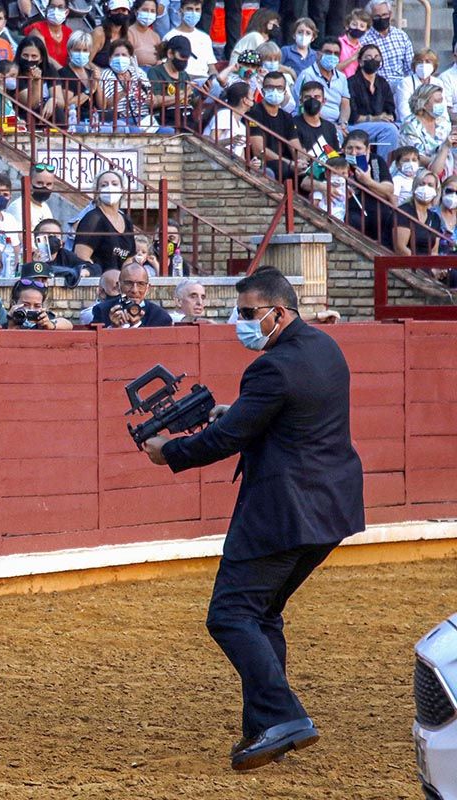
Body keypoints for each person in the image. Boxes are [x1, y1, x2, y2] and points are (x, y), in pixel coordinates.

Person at [141, 266, 364, 771]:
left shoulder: (270, 368)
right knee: (262, 615)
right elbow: (283, 414)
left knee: (231, 615)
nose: (240, 322)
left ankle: (284, 717)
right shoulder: (325, 347)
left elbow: (225, 441)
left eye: (248, 314)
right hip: (331, 509)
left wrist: (168, 451)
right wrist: (236, 410)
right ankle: (266, 727)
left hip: (281, 513)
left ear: (279, 312)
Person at [74, 169, 136, 272]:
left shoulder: (127, 221)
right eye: (104, 185)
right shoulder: (93, 219)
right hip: (99, 283)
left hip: (120, 284)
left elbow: (128, 259)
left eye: (114, 184)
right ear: (97, 192)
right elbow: (81, 257)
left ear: (122, 190)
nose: (110, 188)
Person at [347, 43, 398, 153]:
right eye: (368, 57)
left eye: (376, 57)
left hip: (380, 125)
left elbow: (390, 108)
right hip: (356, 126)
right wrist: (376, 118)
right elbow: (352, 116)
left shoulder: (382, 83)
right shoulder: (351, 82)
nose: (373, 60)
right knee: (390, 130)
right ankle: (384, 166)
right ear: (360, 62)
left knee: (402, 127)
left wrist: (388, 116)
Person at [292, 37, 352, 128]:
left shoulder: (342, 77)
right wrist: (332, 127)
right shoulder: (307, 75)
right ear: (318, 54)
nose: (332, 56)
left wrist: (343, 123)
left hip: (339, 125)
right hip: (313, 124)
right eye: (328, 52)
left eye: (336, 53)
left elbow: (345, 105)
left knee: (379, 130)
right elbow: (302, 106)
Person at [90, 261, 172, 326]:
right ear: (119, 286)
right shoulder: (102, 310)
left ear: (148, 288)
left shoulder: (160, 316)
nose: (134, 290)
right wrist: (113, 328)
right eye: (129, 283)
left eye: (140, 284)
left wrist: (137, 325)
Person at [398, 84, 454, 176]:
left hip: (444, 169)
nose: (441, 105)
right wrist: (442, 164)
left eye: (441, 101)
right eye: (437, 101)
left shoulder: (443, 122)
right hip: (416, 172)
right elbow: (418, 157)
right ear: (423, 104)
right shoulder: (409, 126)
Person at [100, 39, 153, 131]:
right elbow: (106, 105)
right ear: (110, 59)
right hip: (121, 120)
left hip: (144, 118)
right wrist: (124, 92)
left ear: (130, 58)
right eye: (116, 55)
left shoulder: (138, 72)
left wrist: (150, 98)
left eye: (124, 55)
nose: (120, 58)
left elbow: (149, 96)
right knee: (136, 131)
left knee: (169, 132)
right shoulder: (106, 75)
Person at [358, 0, 412, 86]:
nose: (382, 19)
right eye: (377, 16)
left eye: (385, 15)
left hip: (401, 86)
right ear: (370, 17)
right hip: (377, 86)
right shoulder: (363, 40)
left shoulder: (401, 36)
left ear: (390, 14)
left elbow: (409, 67)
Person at [393, 170, 442, 255]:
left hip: (425, 265)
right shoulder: (404, 211)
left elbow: (434, 251)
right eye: (421, 184)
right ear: (415, 187)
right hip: (405, 265)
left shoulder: (435, 218)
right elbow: (400, 248)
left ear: (436, 191)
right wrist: (419, 266)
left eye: (430, 185)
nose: (425, 188)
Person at [395, 49, 449, 125]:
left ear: (434, 65)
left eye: (428, 62)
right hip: (411, 125)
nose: (423, 65)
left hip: (435, 124)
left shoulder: (438, 83)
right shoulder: (406, 83)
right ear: (414, 65)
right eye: (420, 62)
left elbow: (443, 111)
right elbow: (404, 112)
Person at [163, 0, 213, 80]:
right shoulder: (169, 37)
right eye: (189, 9)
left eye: (197, 10)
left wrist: (213, 80)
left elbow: (211, 67)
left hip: (204, 81)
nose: (194, 13)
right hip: (180, 81)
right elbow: (165, 65)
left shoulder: (205, 38)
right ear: (180, 11)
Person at [23, 0, 72, 67]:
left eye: (60, 7)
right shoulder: (37, 29)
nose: (56, 11)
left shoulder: (68, 32)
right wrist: (63, 72)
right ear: (47, 9)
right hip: (44, 72)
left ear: (66, 12)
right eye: (52, 7)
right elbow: (45, 56)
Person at [5, 279, 69, 329]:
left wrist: (50, 325)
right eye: (25, 305)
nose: (31, 309)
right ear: (14, 303)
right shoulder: (6, 319)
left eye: (37, 306)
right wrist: (11, 325)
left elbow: (67, 324)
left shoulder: (43, 319)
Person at [127, 0, 162, 67]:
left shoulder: (155, 36)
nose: (149, 14)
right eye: (145, 10)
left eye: (152, 11)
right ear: (136, 12)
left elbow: (160, 59)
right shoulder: (128, 33)